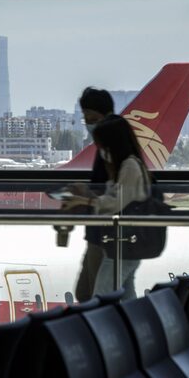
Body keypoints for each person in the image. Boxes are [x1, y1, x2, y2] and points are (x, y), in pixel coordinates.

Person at [61, 114, 151, 299]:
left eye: (102, 144)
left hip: (125, 244)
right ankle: (135, 327)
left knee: (101, 297)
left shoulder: (130, 167)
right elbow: (113, 199)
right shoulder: (124, 167)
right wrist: (87, 193)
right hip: (125, 244)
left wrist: (85, 201)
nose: (100, 150)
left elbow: (115, 204)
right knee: (127, 298)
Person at [66, 87, 114, 302]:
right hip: (96, 232)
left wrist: (84, 195)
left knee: (96, 296)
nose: (89, 124)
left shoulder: (111, 152)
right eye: (86, 118)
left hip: (106, 234)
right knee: (85, 293)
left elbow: (114, 194)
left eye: (92, 118)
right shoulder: (102, 149)